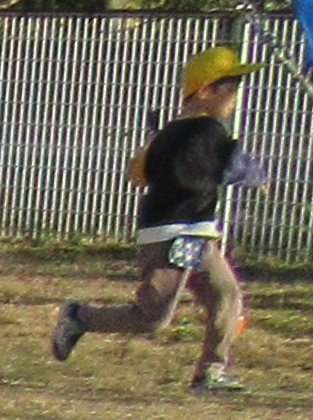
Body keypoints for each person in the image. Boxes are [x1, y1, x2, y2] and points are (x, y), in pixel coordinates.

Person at [52, 47, 252, 392]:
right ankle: (78, 318)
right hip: (170, 236)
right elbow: (224, 168)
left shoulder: (173, 134)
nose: (235, 98)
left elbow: (137, 175)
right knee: (152, 319)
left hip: (197, 234)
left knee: (227, 295)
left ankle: (211, 372)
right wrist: (240, 166)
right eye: (230, 89)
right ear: (205, 91)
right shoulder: (207, 131)